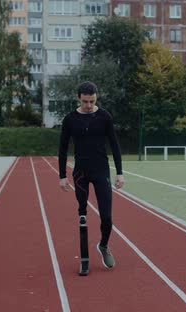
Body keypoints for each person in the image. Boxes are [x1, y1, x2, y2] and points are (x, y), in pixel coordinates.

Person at [58, 81, 124, 275]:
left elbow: (115, 145)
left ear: (96, 97)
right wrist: (62, 175)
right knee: (83, 217)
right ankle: (84, 258)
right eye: (85, 101)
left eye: (92, 101)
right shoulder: (70, 119)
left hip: (101, 170)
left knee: (107, 217)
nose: (88, 105)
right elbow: (62, 149)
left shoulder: (104, 117)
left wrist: (120, 172)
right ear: (78, 97)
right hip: (80, 173)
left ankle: (103, 245)